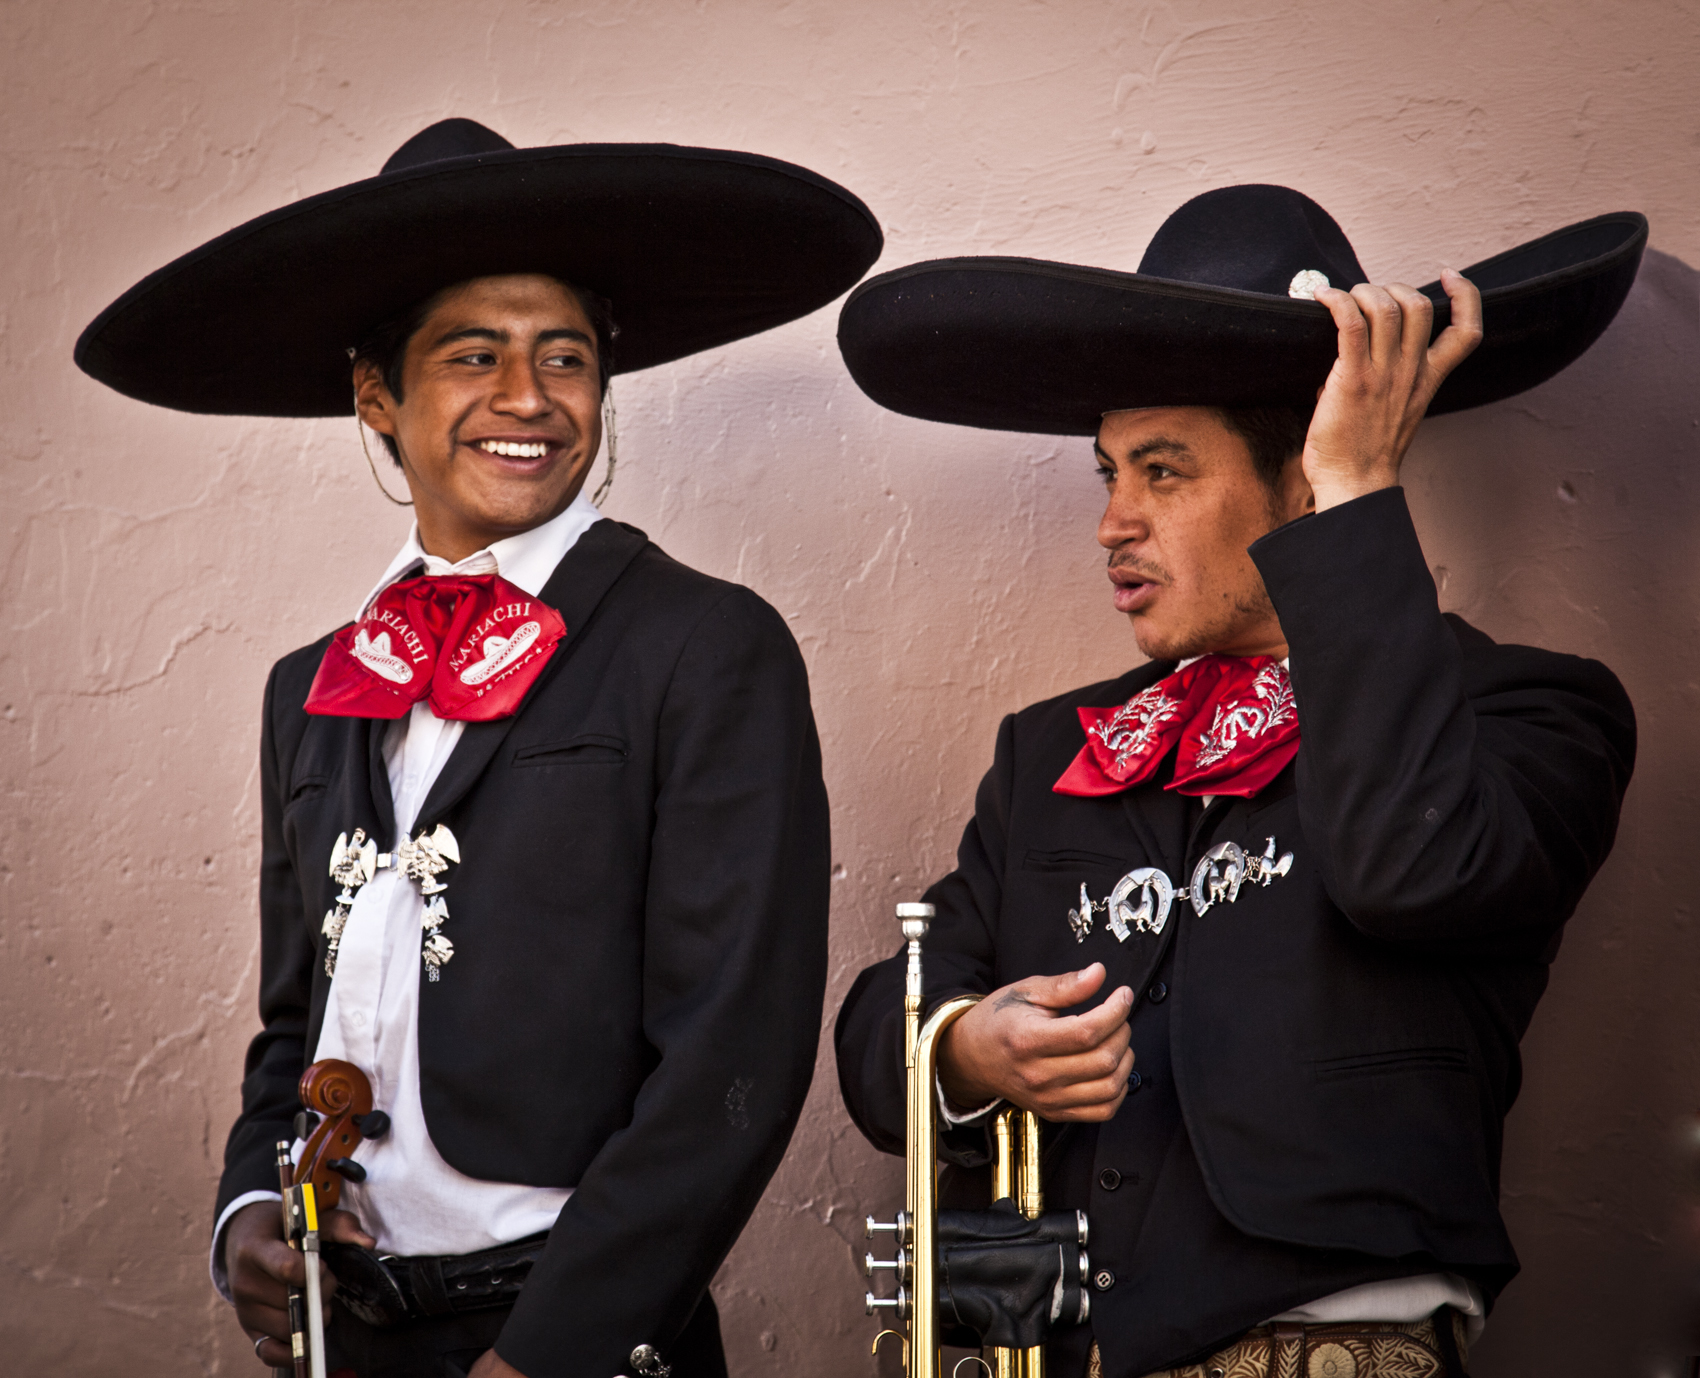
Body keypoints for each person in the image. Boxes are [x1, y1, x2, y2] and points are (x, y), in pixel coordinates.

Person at [76, 117, 883, 1378]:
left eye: (563, 356)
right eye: (472, 355)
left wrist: (553, 1352)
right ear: (377, 396)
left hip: (572, 1337)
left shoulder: (706, 646)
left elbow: (733, 1053)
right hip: (351, 1334)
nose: (527, 398)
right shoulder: (311, 687)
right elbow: (298, 1014)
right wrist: (247, 1204)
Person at [832, 185, 1647, 1377]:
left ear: (1307, 480)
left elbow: (1414, 876)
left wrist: (1359, 496)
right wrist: (967, 1050)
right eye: (1106, 473)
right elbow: (882, 1019)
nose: (1111, 521)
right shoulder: (1048, 747)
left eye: (1162, 473)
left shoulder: (1531, 709)